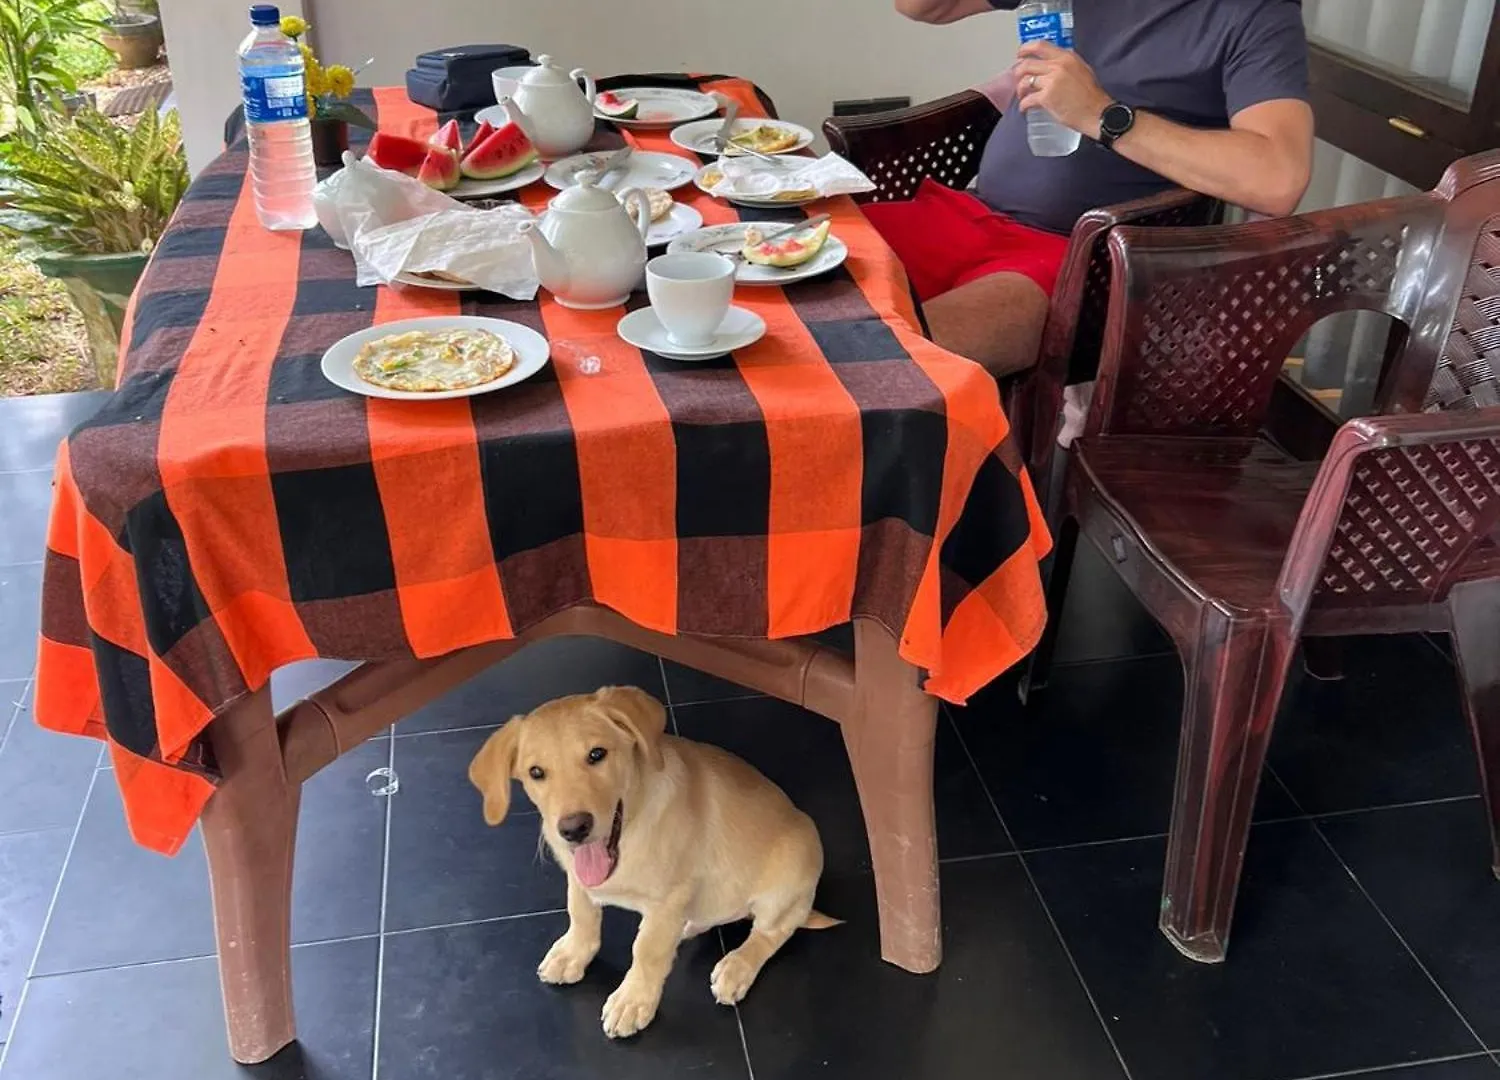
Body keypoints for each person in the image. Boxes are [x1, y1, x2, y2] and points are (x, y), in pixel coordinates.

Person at [878, 0, 1315, 383]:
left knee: (885, 363)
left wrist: (1104, 117)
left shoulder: (1256, 14)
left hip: (1073, 259)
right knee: (816, 288)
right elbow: (921, 6)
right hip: (964, 214)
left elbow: (1278, 177)